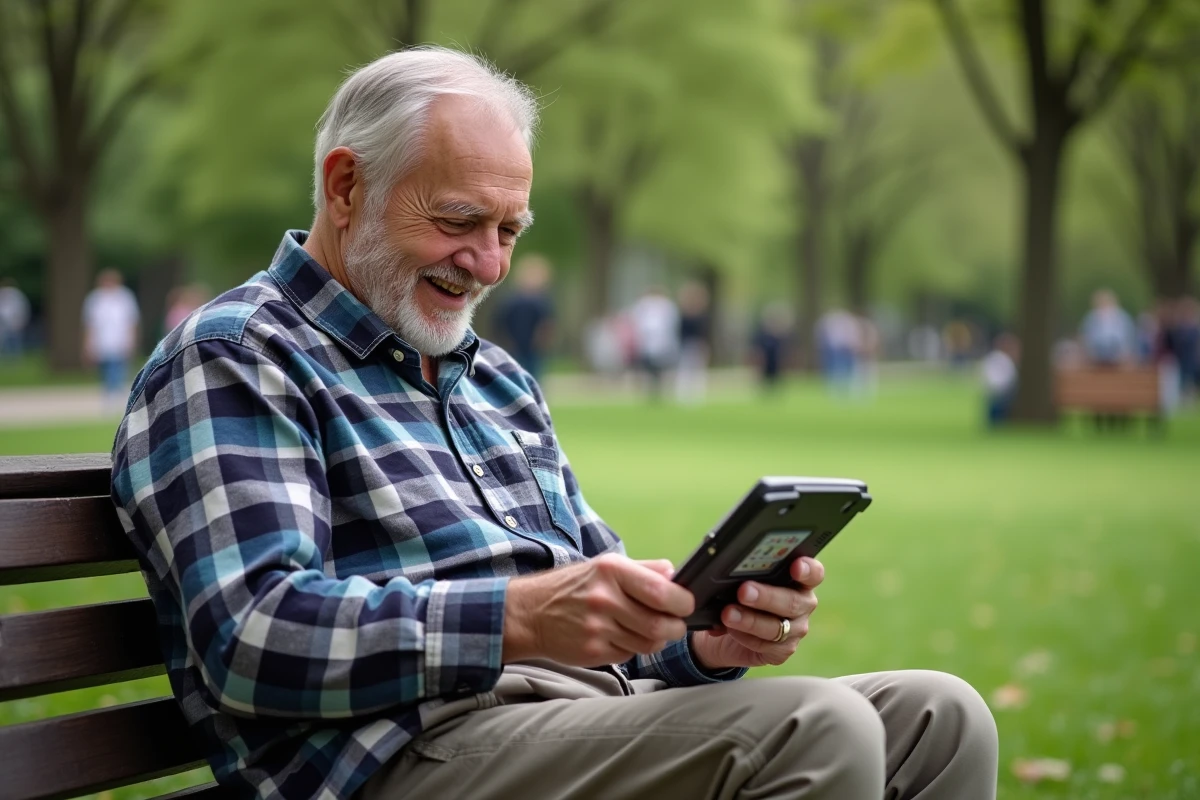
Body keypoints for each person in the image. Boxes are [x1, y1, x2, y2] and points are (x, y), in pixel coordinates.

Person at [111, 48, 997, 800]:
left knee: (943, 717)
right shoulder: (238, 355)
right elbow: (252, 638)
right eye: (459, 220)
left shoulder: (495, 380)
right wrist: (515, 619)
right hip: (396, 760)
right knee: (818, 728)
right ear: (347, 187)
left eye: (510, 229)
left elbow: (602, 635)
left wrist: (698, 640)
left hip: (571, 721)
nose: (488, 263)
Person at [493, 253, 554, 381]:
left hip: (533, 348)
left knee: (533, 377)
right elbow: (501, 322)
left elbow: (546, 324)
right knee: (514, 376)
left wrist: (542, 341)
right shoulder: (511, 301)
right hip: (514, 347)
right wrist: (505, 340)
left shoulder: (542, 302)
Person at [82, 269, 139, 404]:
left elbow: (131, 320)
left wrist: (132, 339)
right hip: (102, 339)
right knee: (106, 366)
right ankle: (111, 389)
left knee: (117, 364)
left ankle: (114, 391)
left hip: (120, 338)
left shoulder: (125, 297)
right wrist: (88, 343)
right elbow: (90, 323)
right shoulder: (95, 298)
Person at [628, 286, 680, 401]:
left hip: (661, 342)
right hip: (647, 342)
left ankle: (657, 388)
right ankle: (650, 388)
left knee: (659, 367)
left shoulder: (665, 305)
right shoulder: (645, 305)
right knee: (648, 367)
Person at [674, 280, 710, 404]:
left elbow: (704, 332)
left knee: (697, 370)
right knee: (685, 370)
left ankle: (697, 395)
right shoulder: (683, 315)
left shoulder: (701, 315)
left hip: (697, 344)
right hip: (686, 344)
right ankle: (683, 395)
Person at [1080, 289, 1136, 366]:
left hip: (1119, 356)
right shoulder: (1091, 318)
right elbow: (1086, 338)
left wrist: (1124, 353)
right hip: (1096, 357)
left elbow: (1129, 337)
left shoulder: (1123, 317)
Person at [980, 333, 1019, 427]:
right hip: (999, 389)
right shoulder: (1000, 358)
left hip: (997, 389)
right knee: (996, 409)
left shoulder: (996, 357)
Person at [0, 279, 31, 358]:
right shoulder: (4, 294)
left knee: (15, 341)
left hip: (14, 321)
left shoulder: (16, 295)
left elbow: (21, 309)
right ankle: (7, 357)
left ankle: (15, 357)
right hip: (4, 322)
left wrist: (20, 320)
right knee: (6, 341)